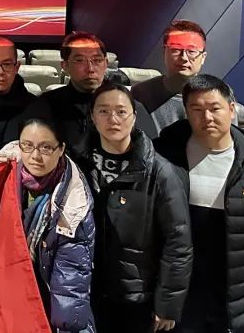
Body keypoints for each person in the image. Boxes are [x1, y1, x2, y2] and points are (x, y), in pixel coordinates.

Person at [154, 74, 244, 332]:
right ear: (186, 112)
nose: (207, 117)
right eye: (197, 109)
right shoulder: (163, 154)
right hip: (179, 291)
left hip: (236, 293)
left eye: (214, 108)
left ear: (231, 109)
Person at [82, 81, 192, 333]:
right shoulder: (79, 166)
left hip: (138, 299)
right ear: (93, 117)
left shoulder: (160, 171)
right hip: (89, 293)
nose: (113, 119)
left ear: (133, 116)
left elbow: (178, 243)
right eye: (103, 111)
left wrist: (167, 304)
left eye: (121, 111)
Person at [0, 117, 95, 332]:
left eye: (46, 148)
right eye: (27, 146)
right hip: (4, 289)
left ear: (61, 149)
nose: (35, 156)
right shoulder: (2, 173)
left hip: (45, 295)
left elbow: (70, 282)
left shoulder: (73, 203)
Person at [41, 31, 154, 156]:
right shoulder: (45, 106)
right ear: (65, 65)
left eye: (97, 60)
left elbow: (149, 155)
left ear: (106, 63)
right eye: (79, 60)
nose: (90, 69)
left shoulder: (128, 106)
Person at [132, 20, 210, 133]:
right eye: (176, 49)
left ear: (203, 57)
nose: (184, 57)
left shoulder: (217, 98)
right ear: (164, 51)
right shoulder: (141, 94)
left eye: (191, 51)